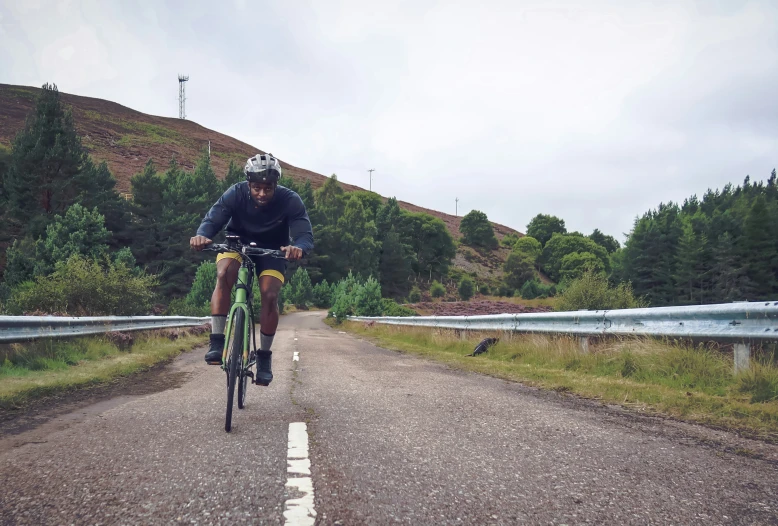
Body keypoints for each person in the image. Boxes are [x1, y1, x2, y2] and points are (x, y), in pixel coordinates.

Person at [190, 153, 314, 386]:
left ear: (276, 185)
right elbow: (213, 219)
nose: (262, 193)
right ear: (249, 184)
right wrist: (202, 236)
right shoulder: (235, 193)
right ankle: (217, 341)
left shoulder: (290, 200)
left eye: (268, 188)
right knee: (224, 274)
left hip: (273, 251)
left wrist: (298, 248)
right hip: (236, 244)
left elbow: (304, 234)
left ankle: (264, 357)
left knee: (269, 294)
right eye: (257, 187)